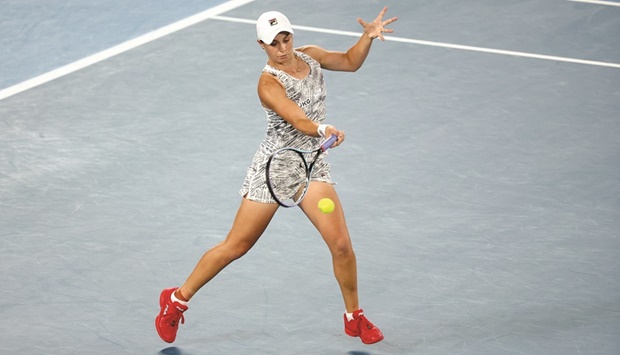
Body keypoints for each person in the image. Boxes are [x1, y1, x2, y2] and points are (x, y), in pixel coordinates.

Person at [155, 7, 397, 345]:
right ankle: (177, 299)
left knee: (341, 245)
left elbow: (350, 61)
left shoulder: (310, 57)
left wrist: (367, 37)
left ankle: (353, 317)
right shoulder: (267, 83)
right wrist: (322, 128)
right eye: (274, 43)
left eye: (286, 39)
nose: (282, 48)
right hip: (275, 169)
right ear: (262, 46)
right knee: (236, 246)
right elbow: (297, 118)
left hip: (311, 164)